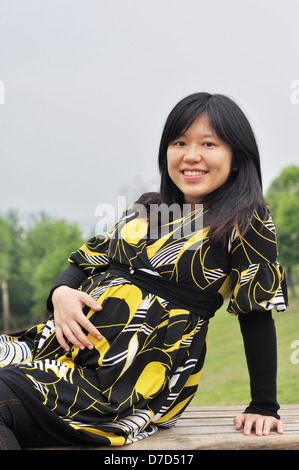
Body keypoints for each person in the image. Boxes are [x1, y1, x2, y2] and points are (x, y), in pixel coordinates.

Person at [0, 92, 288, 450]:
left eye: (208, 143)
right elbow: (86, 261)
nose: (191, 155)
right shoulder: (148, 207)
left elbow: (256, 312)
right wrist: (60, 293)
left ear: (237, 157)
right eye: (179, 142)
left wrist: (264, 405)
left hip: (128, 376)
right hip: (60, 349)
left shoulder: (245, 220)